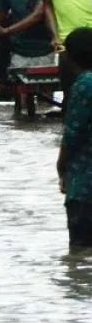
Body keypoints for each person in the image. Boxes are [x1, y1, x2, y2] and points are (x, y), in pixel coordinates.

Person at [41, 0, 92, 116]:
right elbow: (47, 5)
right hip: (65, 43)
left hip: (89, 37)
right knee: (71, 96)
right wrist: (54, 36)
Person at [57, 27, 92, 249]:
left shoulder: (84, 84)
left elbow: (73, 134)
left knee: (80, 254)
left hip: (85, 187)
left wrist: (61, 167)